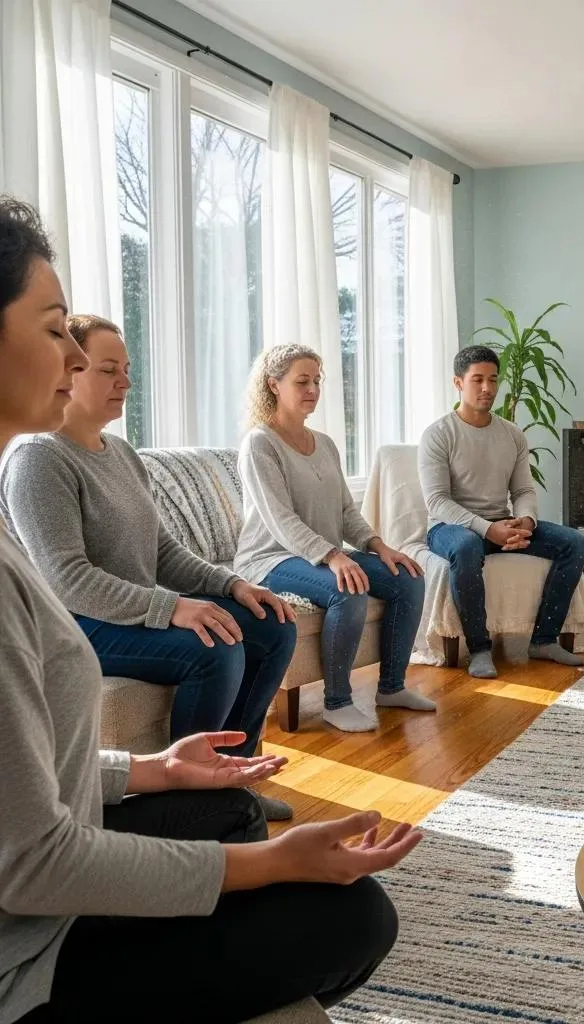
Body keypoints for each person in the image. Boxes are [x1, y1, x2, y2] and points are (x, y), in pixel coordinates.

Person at [0, 196, 421, 1024]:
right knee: (356, 915)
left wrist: (156, 767)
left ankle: (237, 757)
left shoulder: (118, 456)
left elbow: (24, 788)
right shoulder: (38, 469)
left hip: (44, 877)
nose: (87, 364)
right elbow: (32, 861)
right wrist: (272, 869)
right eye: (57, 332)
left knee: (226, 794)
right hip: (28, 954)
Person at [0, 314, 297, 821]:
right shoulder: (38, 458)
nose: (126, 382)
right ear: (70, 372)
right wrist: (171, 607)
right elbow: (65, 578)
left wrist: (232, 584)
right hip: (74, 623)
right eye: (108, 369)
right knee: (216, 650)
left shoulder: (120, 452)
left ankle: (234, 777)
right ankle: (188, 802)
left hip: (127, 612)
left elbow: (161, 549)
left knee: (273, 624)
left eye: (128, 368)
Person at [235, 344, 432, 734]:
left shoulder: (324, 443)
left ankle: (391, 687)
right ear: (274, 385)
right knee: (348, 589)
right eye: (302, 381)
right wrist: (333, 557)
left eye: (317, 381)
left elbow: (345, 512)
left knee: (408, 576)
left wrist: (379, 547)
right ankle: (337, 701)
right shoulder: (260, 443)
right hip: (269, 559)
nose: (313, 389)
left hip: (319, 555)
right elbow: (280, 520)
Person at [419, 344, 584, 679]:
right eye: (478, 379)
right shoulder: (438, 434)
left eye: (493, 380)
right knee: (466, 547)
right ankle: (480, 649)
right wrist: (487, 529)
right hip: (449, 528)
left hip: (500, 522)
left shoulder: (511, 433)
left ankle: (543, 640)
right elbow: (437, 501)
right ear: (458, 383)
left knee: (574, 542)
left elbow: (523, 490)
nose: (487, 388)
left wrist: (525, 520)